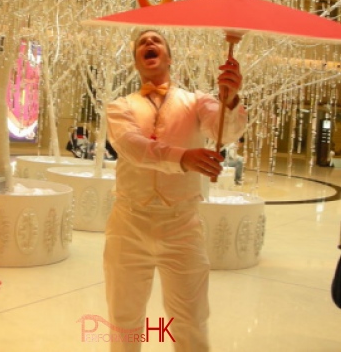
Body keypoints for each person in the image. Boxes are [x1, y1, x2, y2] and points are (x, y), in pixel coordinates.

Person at [104, 29, 247, 352]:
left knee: (191, 319)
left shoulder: (197, 100)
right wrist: (185, 158)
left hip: (182, 225)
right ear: (136, 61)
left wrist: (230, 98)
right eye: (142, 42)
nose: (149, 44)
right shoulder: (119, 106)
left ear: (168, 57)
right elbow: (132, 147)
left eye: (156, 41)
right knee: (124, 318)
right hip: (128, 223)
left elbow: (227, 130)